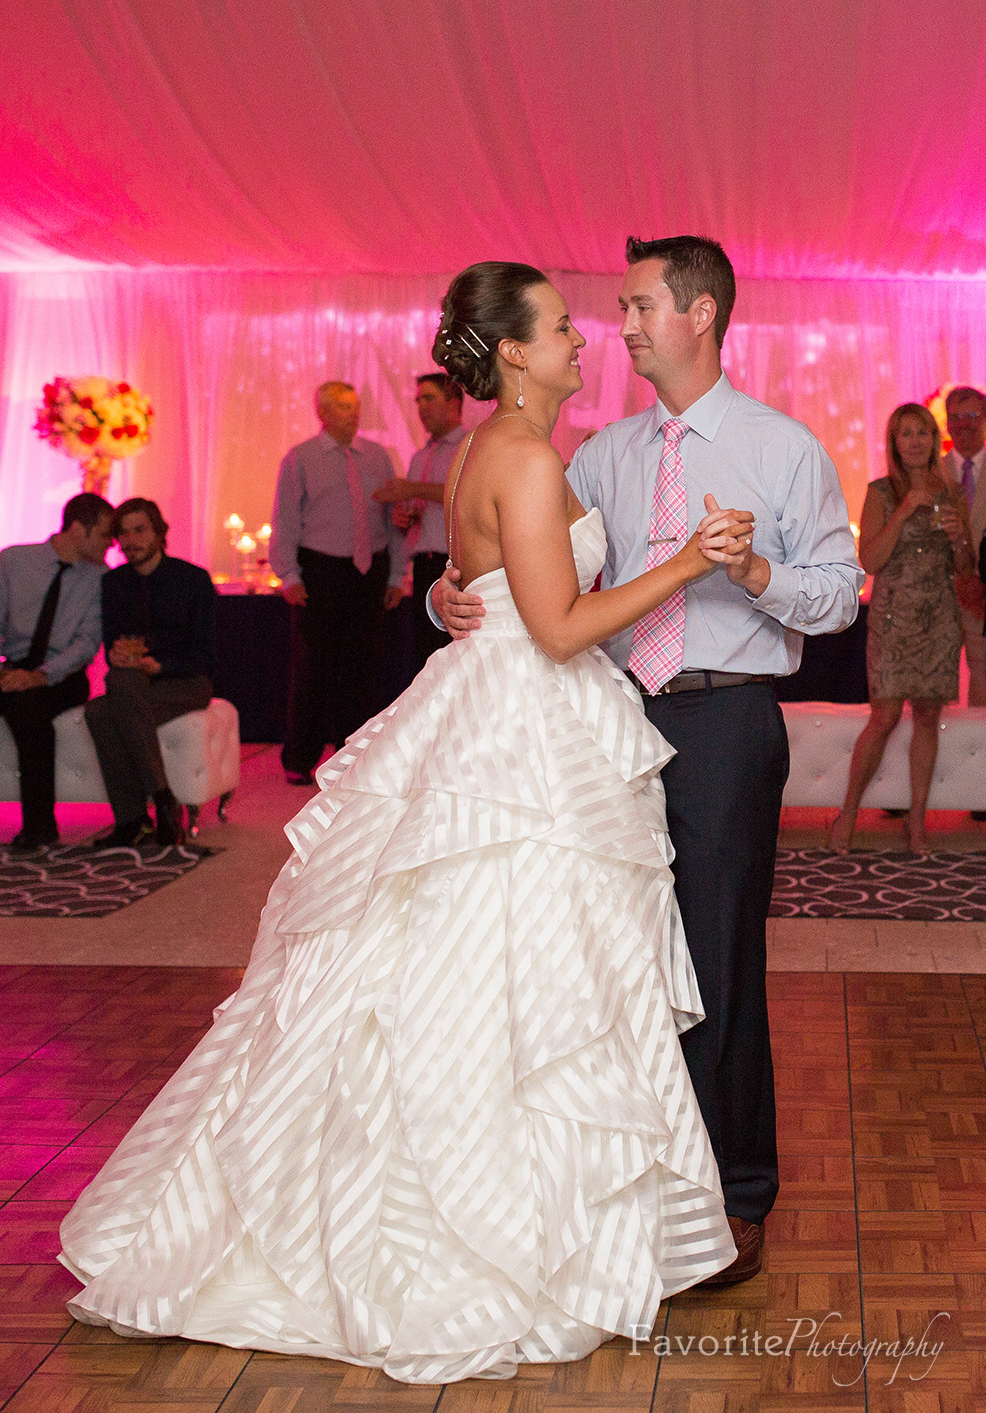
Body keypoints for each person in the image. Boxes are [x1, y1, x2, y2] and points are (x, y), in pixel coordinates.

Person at [61, 262, 755, 1380]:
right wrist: (685, 563)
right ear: (516, 352)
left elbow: (474, 581)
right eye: (564, 329)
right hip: (523, 732)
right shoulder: (523, 455)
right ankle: (485, 1231)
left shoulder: (491, 448)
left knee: (498, 976)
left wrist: (443, 598)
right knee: (515, 977)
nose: (585, 342)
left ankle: (497, 1201)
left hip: (506, 713)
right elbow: (562, 627)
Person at [434, 237, 863, 1283]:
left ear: (702, 312)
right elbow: (527, 574)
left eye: (637, 306)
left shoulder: (783, 448)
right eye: (612, 311)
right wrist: (454, 593)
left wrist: (753, 567)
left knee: (715, 959)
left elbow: (839, 595)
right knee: (620, 960)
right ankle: (638, 1181)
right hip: (601, 722)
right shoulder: (599, 455)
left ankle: (733, 1191)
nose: (616, 326)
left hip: (722, 722)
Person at [831, 405, 971, 854]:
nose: (915, 441)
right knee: (885, 717)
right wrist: (905, 508)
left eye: (922, 433)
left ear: (934, 439)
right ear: (894, 442)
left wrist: (959, 539)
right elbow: (869, 561)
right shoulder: (880, 491)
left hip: (939, 618)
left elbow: (966, 568)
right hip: (892, 620)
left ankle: (917, 825)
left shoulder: (952, 492)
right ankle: (848, 815)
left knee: (929, 715)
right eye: (905, 434)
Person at [0, 492, 113, 850]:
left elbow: (85, 644)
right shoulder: (14, 560)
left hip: (62, 674)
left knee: (28, 710)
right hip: (9, 665)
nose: (110, 544)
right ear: (78, 529)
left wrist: (40, 675)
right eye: (104, 534)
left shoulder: (101, 578)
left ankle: (39, 825)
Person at [270, 381, 406, 785]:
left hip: (370, 571)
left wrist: (398, 574)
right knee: (314, 667)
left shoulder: (377, 456)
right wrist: (290, 574)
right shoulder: (301, 458)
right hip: (321, 571)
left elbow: (391, 520)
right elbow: (286, 520)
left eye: (356, 406)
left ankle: (355, 756)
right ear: (323, 412)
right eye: (343, 407)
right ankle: (301, 758)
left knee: (364, 667)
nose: (353, 413)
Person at [85, 498, 215, 848]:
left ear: (159, 532)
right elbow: (112, 642)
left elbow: (208, 651)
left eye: (140, 530)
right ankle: (149, 807)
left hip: (186, 682)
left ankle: (141, 814)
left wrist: (161, 665)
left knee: (114, 690)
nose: (131, 541)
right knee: (100, 706)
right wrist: (117, 654)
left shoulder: (193, 579)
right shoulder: (113, 584)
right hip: (136, 683)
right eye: (123, 534)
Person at [373, 373, 465, 670]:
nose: (420, 407)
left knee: (456, 658)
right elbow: (416, 515)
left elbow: (468, 496)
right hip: (425, 566)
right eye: (417, 400)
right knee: (426, 661)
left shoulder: (470, 446)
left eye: (429, 398)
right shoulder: (420, 456)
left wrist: (413, 489)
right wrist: (404, 519)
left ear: (454, 403)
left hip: (459, 566)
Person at [942, 387, 986, 708]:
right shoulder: (929, 473)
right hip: (942, 595)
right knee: (938, 688)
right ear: (947, 424)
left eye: (972, 416)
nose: (964, 424)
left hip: (985, 597)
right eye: (956, 417)